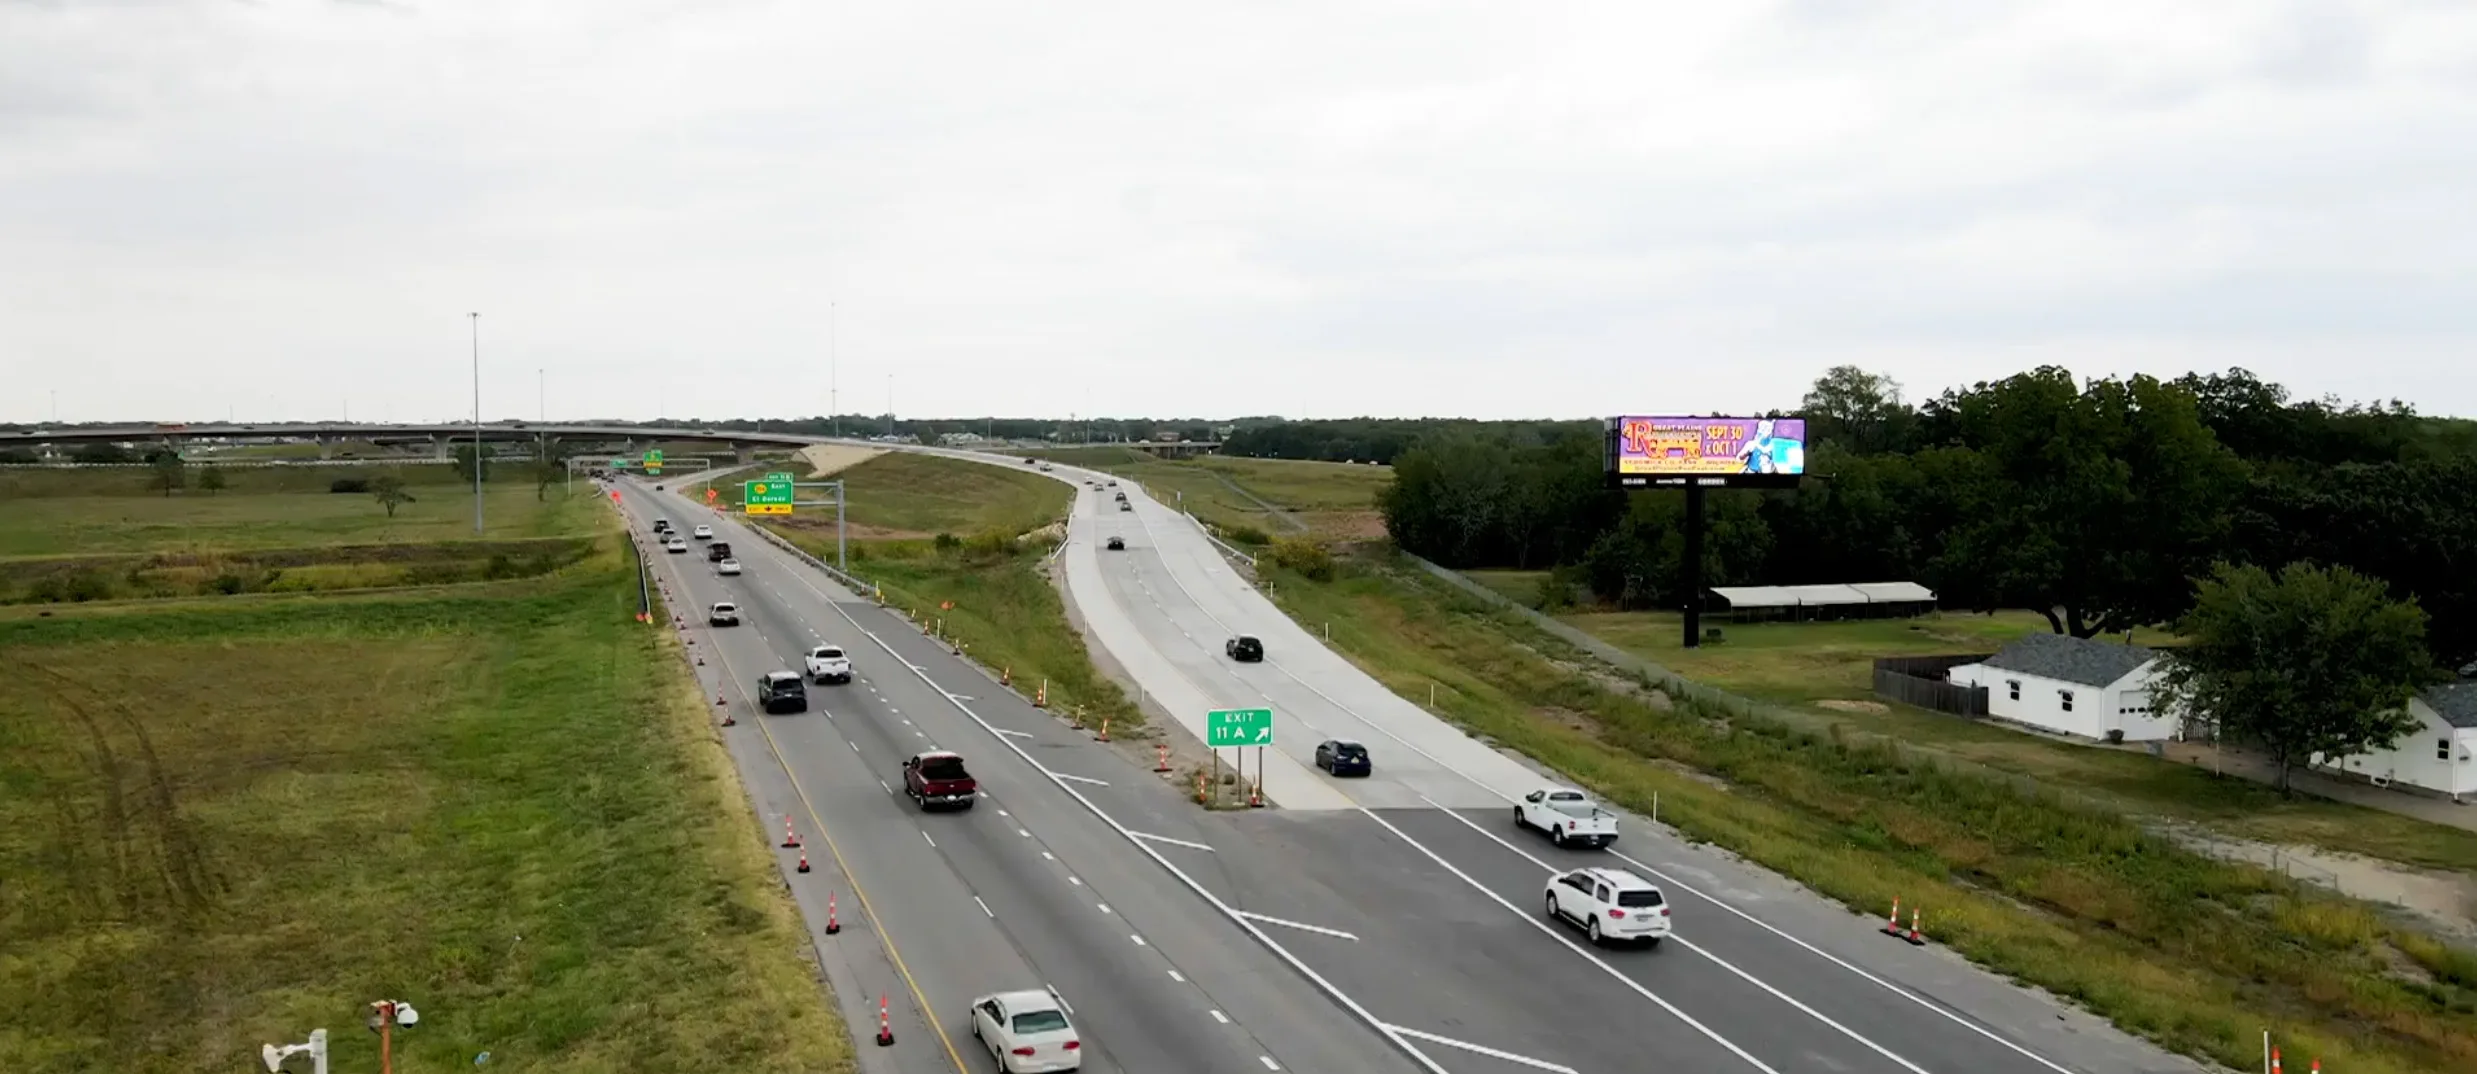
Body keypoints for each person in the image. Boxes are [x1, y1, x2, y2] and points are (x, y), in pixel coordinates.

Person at [1735, 420, 1804, 474]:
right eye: (1764, 430)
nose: (1766, 433)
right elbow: (1739, 458)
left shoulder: (1774, 444)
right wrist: (1744, 455)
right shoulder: (1751, 444)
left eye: (1768, 430)